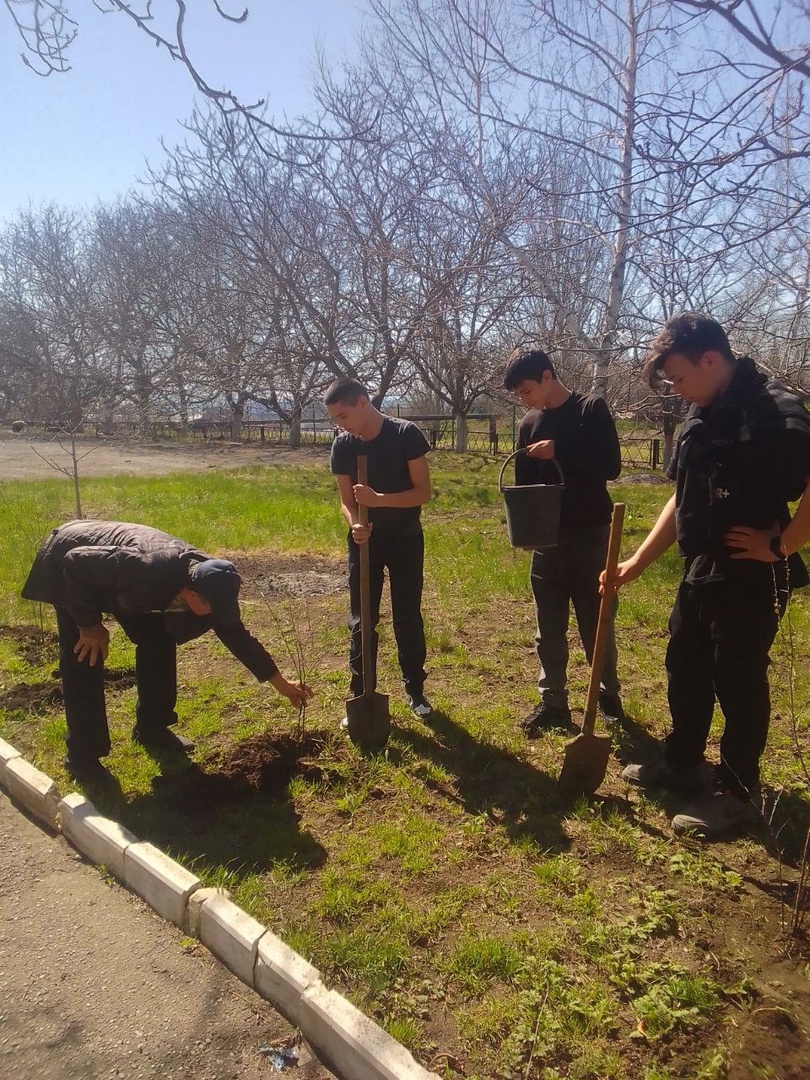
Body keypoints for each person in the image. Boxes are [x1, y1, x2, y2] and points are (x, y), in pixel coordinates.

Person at [608, 313, 810, 839]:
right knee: (686, 664)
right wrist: (637, 561)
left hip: (750, 574)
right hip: (702, 568)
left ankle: (738, 793)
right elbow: (682, 498)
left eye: (678, 378)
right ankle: (682, 762)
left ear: (710, 359)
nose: (676, 391)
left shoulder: (772, 410)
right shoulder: (701, 414)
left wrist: (782, 546)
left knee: (737, 679)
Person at [22, 520, 313, 784]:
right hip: (71, 563)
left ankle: (153, 729)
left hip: (120, 583)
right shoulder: (149, 566)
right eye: (209, 608)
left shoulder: (213, 580)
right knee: (86, 654)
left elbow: (238, 637)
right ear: (189, 592)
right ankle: (83, 758)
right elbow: (77, 562)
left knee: (158, 640)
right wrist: (89, 624)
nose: (212, 615)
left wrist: (282, 684)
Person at [503, 346, 624, 735]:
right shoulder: (528, 424)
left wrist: (562, 450)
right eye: (519, 395)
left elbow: (611, 466)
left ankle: (606, 696)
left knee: (596, 619)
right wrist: (523, 529)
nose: (524, 399)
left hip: (589, 532)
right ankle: (553, 701)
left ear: (547, 376)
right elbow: (523, 485)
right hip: (546, 539)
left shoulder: (591, 410)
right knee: (549, 625)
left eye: (526, 390)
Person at [325, 376, 433, 720]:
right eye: (335, 420)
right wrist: (355, 522)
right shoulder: (344, 446)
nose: (341, 425)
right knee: (361, 619)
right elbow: (345, 501)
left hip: (405, 539)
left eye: (343, 416)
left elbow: (422, 493)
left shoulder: (405, 435)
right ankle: (360, 693)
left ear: (362, 402)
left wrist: (379, 500)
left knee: (407, 616)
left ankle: (415, 690)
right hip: (364, 543)